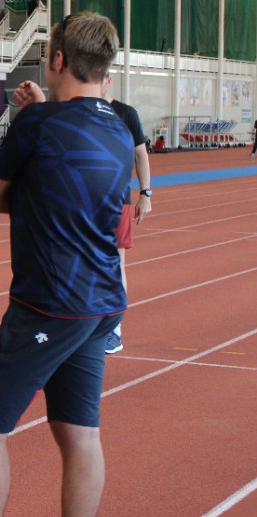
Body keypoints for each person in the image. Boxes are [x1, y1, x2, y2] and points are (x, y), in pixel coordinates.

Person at [0, 12, 133, 517]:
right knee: (79, 434)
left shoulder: (38, 124)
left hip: (49, 301)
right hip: (102, 302)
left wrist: (30, 123)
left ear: (56, 60)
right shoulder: (122, 127)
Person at [103, 77, 152, 354]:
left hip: (117, 202)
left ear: (108, 80)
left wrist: (146, 193)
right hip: (84, 203)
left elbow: (140, 155)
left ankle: (115, 330)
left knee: (116, 263)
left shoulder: (126, 113)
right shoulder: (78, 111)